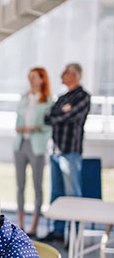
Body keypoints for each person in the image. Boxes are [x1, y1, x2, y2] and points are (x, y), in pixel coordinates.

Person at [40, 63, 91, 244]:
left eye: (65, 72)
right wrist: (60, 112)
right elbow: (47, 117)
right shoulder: (62, 98)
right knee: (56, 193)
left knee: (72, 194)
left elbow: (68, 117)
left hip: (70, 151)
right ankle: (58, 231)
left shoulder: (83, 97)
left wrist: (59, 114)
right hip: (55, 151)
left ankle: (75, 234)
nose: (61, 74)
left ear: (74, 75)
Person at [14, 67, 53, 237]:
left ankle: (35, 225)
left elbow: (47, 126)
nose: (31, 80)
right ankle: (20, 223)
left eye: (34, 77)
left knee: (37, 186)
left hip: (37, 147)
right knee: (20, 185)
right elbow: (18, 124)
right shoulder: (24, 98)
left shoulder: (48, 101)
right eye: (29, 77)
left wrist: (34, 128)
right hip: (21, 144)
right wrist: (27, 128)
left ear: (42, 80)